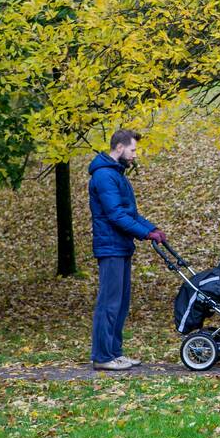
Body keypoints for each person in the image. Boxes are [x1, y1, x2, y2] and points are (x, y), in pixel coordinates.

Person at [87, 129, 165, 370]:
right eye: (132, 150)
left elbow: (129, 213)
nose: (134, 155)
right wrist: (144, 233)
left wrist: (152, 229)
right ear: (119, 148)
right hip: (110, 246)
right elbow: (116, 214)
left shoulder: (116, 175)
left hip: (120, 246)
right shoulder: (104, 176)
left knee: (120, 303)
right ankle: (102, 356)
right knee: (109, 302)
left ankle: (114, 352)